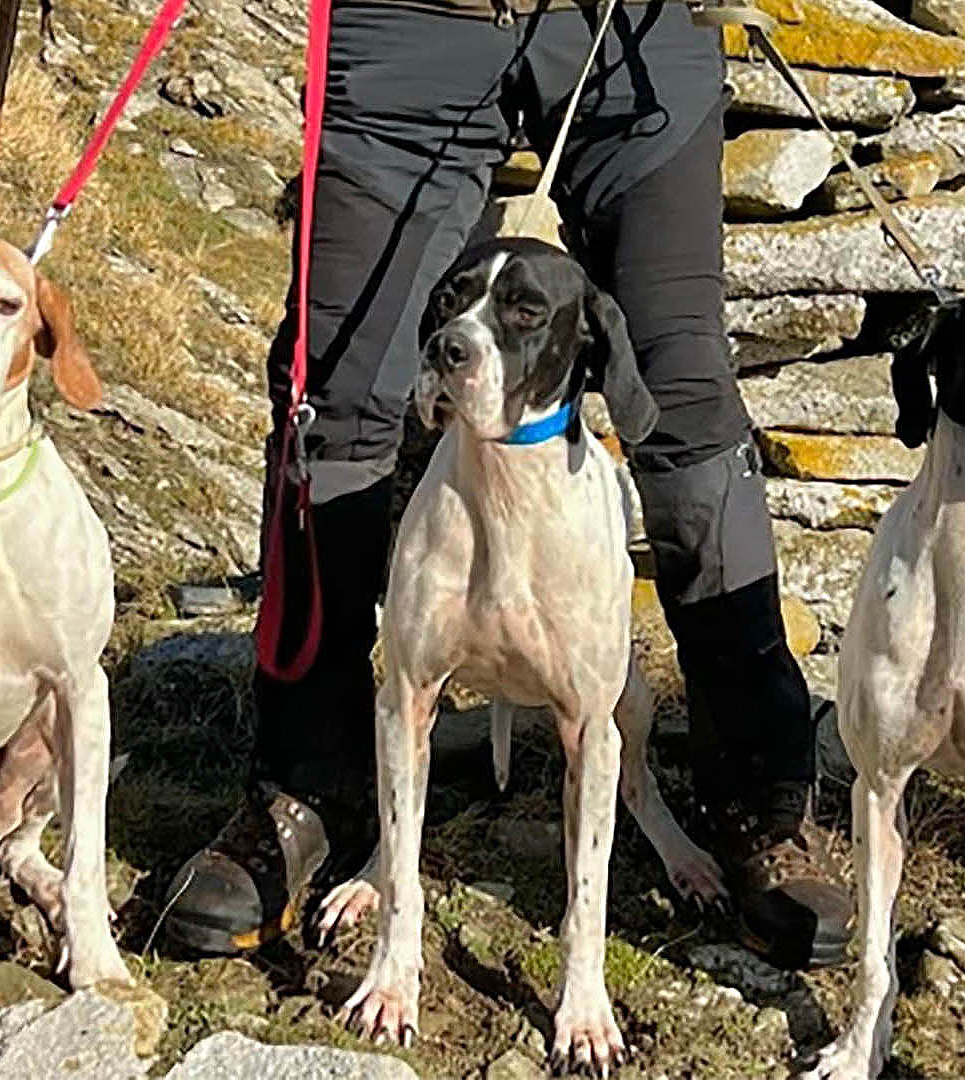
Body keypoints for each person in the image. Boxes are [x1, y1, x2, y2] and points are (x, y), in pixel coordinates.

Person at [162, 0, 854, 971]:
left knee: (684, 393)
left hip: (635, 32)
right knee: (340, 388)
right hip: (412, 21)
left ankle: (756, 795)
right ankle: (311, 785)